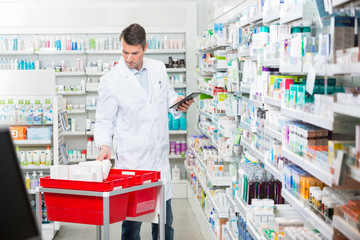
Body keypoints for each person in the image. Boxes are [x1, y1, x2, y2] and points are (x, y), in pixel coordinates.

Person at [94, 23, 194, 240]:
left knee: (165, 226)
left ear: (145, 47)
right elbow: (103, 120)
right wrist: (104, 145)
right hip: (133, 164)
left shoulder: (158, 68)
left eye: (134, 53)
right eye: (124, 52)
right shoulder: (111, 80)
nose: (128, 58)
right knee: (131, 227)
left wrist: (178, 103)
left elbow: (168, 97)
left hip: (159, 162)